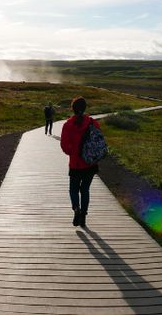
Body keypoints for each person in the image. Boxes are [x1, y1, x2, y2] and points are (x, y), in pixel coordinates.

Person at [60, 96, 100, 227]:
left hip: (76, 164)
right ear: (85, 108)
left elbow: (65, 146)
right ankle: (83, 215)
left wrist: (73, 152)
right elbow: (98, 142)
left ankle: (76, 209)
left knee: (73, 189)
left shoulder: (68, 125)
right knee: (85, 190)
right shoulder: (93, 123)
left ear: (73, 108)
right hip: (90, 164)